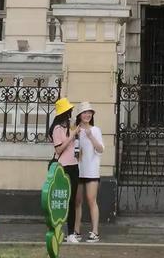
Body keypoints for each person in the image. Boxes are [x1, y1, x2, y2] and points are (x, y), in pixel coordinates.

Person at [50, 97, 81, 243]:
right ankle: (58, 231)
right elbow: (59, 149)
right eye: (69, 111)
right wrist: (72, 135)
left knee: (72, 200)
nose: (71, 113)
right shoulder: (57, 129)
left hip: (74, 165)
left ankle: (71, 234)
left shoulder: (70, 127)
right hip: (63, 167)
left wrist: (75, 133)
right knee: (61, 199)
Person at [73, 101, 105, 242]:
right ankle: (76, 231)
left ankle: (95, 232)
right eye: (84, 112)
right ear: (80, 115)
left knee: (92, 200)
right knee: (77, 201)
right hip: (78, 170)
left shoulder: (96, 130)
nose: (87, 115)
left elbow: (100, 149)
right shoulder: (75, 130)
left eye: (89, 112)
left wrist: (91, 136)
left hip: (92, 171)